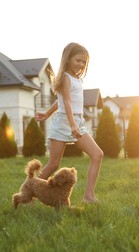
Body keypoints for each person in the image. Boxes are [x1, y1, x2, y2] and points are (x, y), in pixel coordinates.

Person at [35, 42, 103, 203]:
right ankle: (29, 192)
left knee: (97, 154)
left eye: (83, 62)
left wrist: (46, 113)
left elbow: (59, 101)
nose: (80, 64)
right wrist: (72, 125)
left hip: (77, 121)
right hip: (64, 123)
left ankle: (89, 196)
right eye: (77, 60)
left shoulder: (77, 79)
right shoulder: (65, 77)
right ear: (67, 59)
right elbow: (66, 102)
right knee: (53, 165)